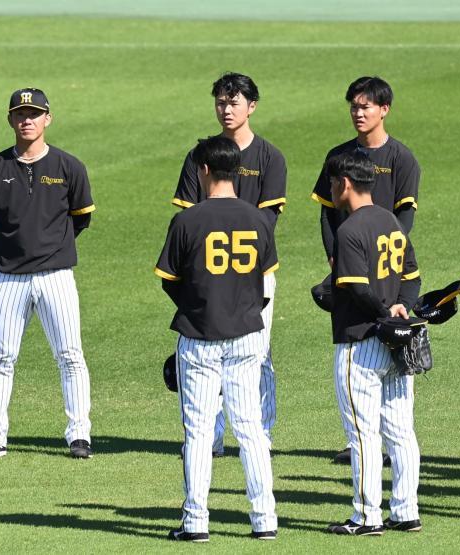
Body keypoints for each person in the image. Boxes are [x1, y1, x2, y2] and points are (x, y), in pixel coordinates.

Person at [156, 136, 278, 542]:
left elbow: (170, 281)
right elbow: (263, 285)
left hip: (200, 335)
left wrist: (197, 306)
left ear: (203, 170)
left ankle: (195, 522)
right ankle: (264, 519)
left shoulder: (187, 221)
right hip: (247, 336)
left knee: (199, 431)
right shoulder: (259, 219)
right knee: (251, 428)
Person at [0, 88, 95, 460]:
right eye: (21, 113)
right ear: (10, 119)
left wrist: (50, 247)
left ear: (48, 119)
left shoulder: (69, 167)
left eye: (35, 113)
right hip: (9, 277)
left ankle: (79, 435)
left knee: (70, 354)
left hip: (56, 275)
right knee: (1, 357)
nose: (27, 119)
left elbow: (81, 218)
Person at [171, 72, 286, 456]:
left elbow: (268, 222)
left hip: (256, 270)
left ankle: (260, 432)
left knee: (259, 352)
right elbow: (189, 216)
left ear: (251, 106)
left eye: (234, 102)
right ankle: (214, 437)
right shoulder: (200, 156)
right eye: (221, 101)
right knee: (209, 349)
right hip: (208, 271)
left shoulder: (270, 157)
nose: (226, 108)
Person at [311, 77, 421, 465]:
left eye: (366, 107)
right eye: (354, 107)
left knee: (372, 344)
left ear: (384, 109)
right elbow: (327, 212)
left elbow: (404, 217)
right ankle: (360, 434)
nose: (359, 113)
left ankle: (382, 441)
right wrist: (335, 257)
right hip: (350, 257)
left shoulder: (401, 158)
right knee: (355, 331)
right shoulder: (339, 155)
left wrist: (383, 250)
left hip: (385, 259)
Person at [324, 151, 422, 536]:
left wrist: (383, 311)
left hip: (359, 343)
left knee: (363, 433)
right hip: (395, 345)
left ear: (345, 183)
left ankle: (367, 516)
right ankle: (406, 511)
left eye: (333, 183)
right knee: (400, 430)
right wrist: (402, 308)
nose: (331, 190)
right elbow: (412, 277)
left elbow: (357, 290)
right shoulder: (392, 222)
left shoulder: (349, 231)